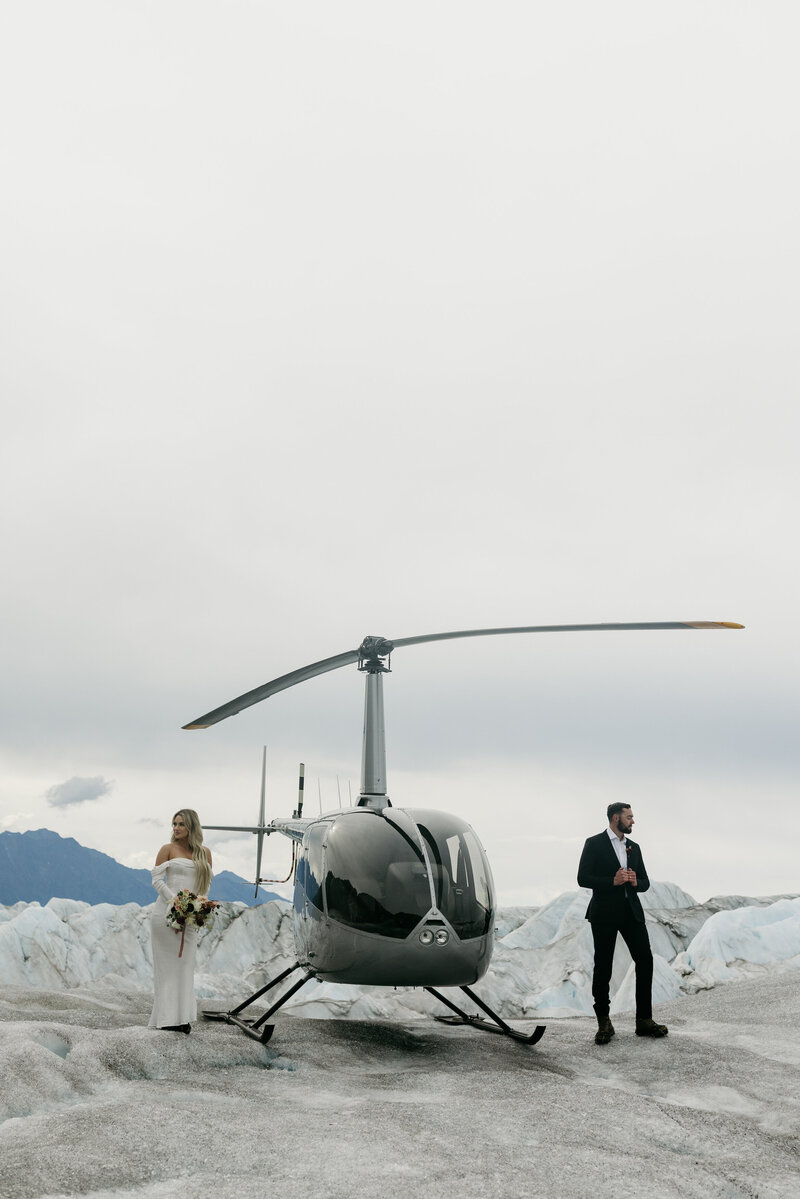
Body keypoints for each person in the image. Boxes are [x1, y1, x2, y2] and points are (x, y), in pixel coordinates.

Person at [577, 803, 668, 1045]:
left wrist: (636, 881)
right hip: (604, 913)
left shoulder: (633, 847)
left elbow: (646, 881)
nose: (633, 821)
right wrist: (612, 881)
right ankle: (604, 1023)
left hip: (631, 912)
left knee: (645, 960)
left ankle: (644, 1020)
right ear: (616, 818)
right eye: (629, 817)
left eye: (633, 817)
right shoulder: (594, 843)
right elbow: (582, 878)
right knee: (603, 966)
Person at [148, 809, 213, 1034]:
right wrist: (175, 902)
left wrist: (198, 908)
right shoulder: (167, 849)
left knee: (184, 967)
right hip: (165, 915)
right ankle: (167, 1020)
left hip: (190, 917)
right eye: (174, 824)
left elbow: (205, 886)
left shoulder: (204, 853)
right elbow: (156, 880)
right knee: (167, 968)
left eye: (181, 824)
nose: (176, 828)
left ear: (191, 827)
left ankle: (181, 1018)